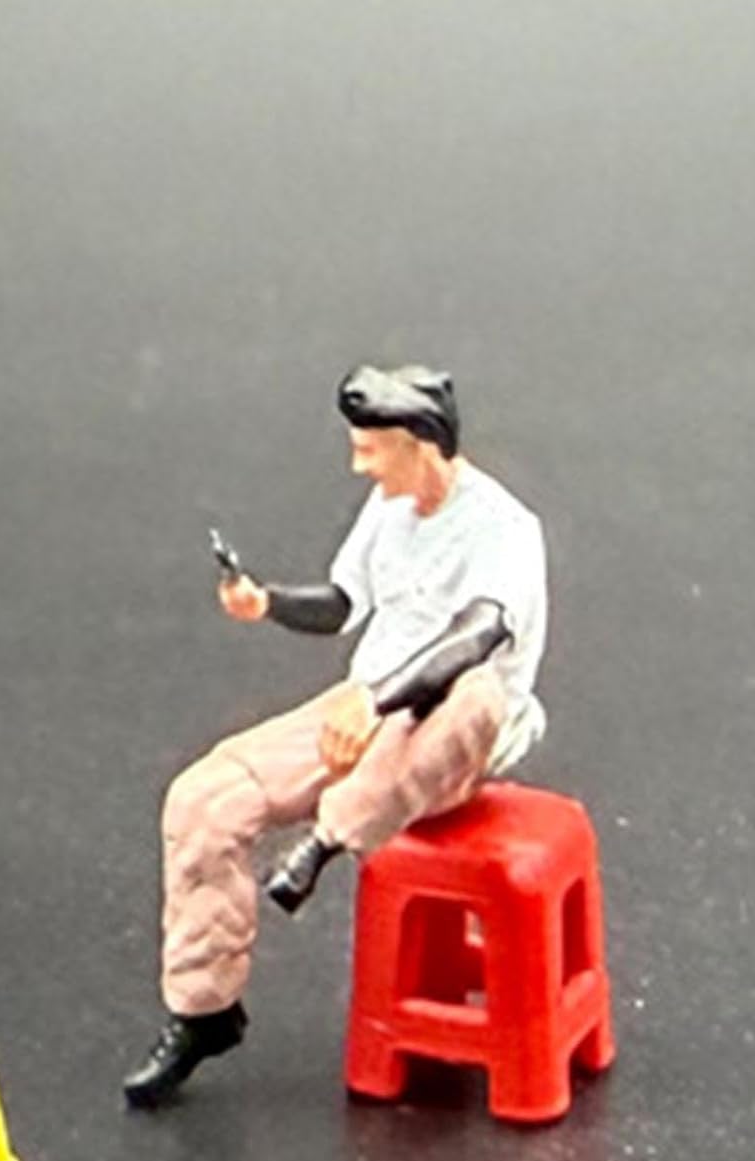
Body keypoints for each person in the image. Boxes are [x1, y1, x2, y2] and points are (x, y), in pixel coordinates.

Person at [123, 364, 548, 1107]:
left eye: (371, 450)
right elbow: (344, 603)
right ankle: (204, 1013)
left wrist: (378, 704)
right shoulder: (388, 509)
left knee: (473, 694)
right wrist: (266, 601)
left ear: (418, 442)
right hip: (365, 708)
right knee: (204, 799)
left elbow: (473, 638)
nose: (360, 466)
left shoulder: (505, 530)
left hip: (456, 726)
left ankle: (325, 841)